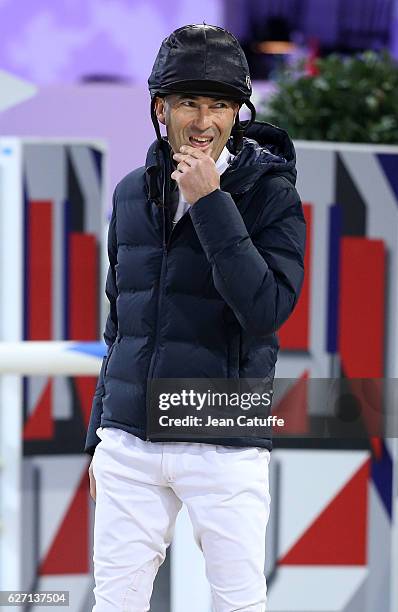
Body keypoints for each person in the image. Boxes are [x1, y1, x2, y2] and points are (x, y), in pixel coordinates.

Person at [85, 23, 306, 612]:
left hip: (224, 436)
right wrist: (98, 439)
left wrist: (212, 204)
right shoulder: (133, 192)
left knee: (238, 606)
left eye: (220, 105)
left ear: (238, 113)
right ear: (161, 108)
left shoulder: (271, 194)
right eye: (189, 102)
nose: (204, 121)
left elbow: (266, 310)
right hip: (129, 441)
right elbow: (121, 323)